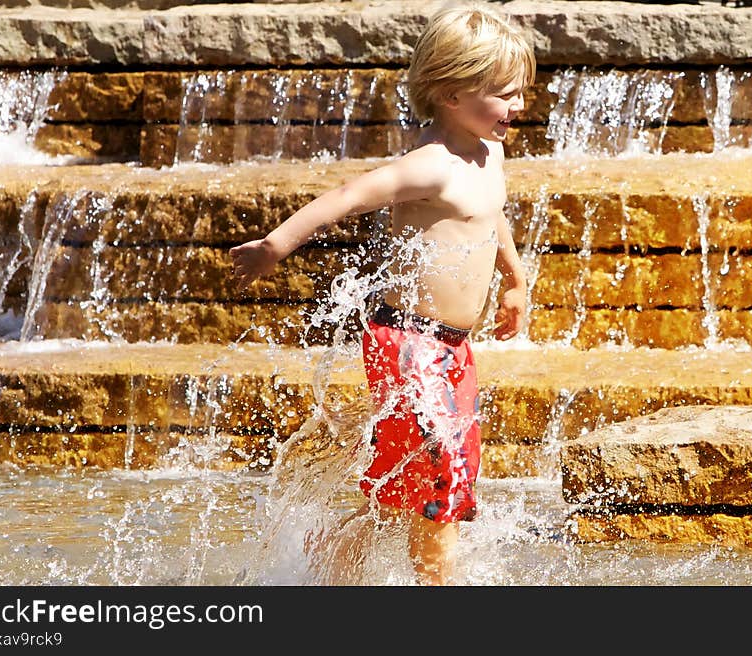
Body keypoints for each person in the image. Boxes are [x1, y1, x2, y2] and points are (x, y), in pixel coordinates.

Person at [229, 1, 535, 585]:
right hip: (407, 341)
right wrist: (275, 245)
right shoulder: (431, 165)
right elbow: (347, 197)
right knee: (442, 472)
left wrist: (515, 280)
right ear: (451, 92)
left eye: (521, 92)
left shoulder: (489, 150)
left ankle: (329, 564)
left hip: (452, 348)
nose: (518, 107)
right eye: (505, 94)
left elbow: (493, 215)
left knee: (419, 479)